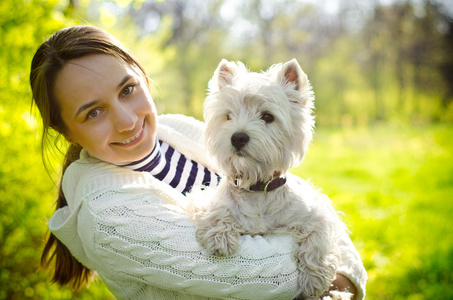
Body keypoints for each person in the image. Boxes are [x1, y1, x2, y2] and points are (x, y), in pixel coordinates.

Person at [31, 25, 367, 299]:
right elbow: (256, 278)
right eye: (93, 112)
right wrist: (335, 275)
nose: (126, 121)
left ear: (143, 77)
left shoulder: (179, 130)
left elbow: (290, 190)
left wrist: (343, 270)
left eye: (127, 90)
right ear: (67, 132)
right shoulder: (108, 217)